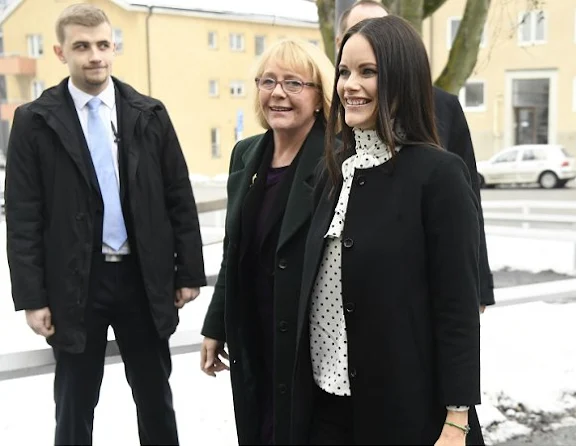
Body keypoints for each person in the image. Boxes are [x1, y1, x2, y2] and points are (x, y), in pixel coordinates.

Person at [4, 4, 206, 445]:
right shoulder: (34, 122)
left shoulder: (149, 114)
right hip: (75, 283)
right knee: (74, 406)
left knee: (156, 399)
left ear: (113, 46)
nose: (94, 55)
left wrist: (188, 271)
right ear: (61, 52)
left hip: (142, 278)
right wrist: (32, 299)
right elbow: (22, 215)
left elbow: (178, 194)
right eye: (81, 46)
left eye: (102, 44)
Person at [290, 15, 484, 445]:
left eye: (368, 72)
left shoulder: (439, 176)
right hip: (326, 409)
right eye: (343, 72)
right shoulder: (332, 173)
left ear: (402, 78)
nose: (349, 85)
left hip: (406, 413)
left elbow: (457, 312)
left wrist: (456, 421)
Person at [199, 39, 335, 445]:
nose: (278, 93)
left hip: (307, 340)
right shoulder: (246, 154)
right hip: (253, 329)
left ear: (319, 96)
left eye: (294, 83)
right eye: (269, 81)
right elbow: (234, 250)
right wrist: (216, 324)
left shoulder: (336, 157)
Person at [337, 0, 495, 312]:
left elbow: (467, 203)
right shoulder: (339, 110)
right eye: (357, 31)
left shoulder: (444, 107)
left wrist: (478, 287)